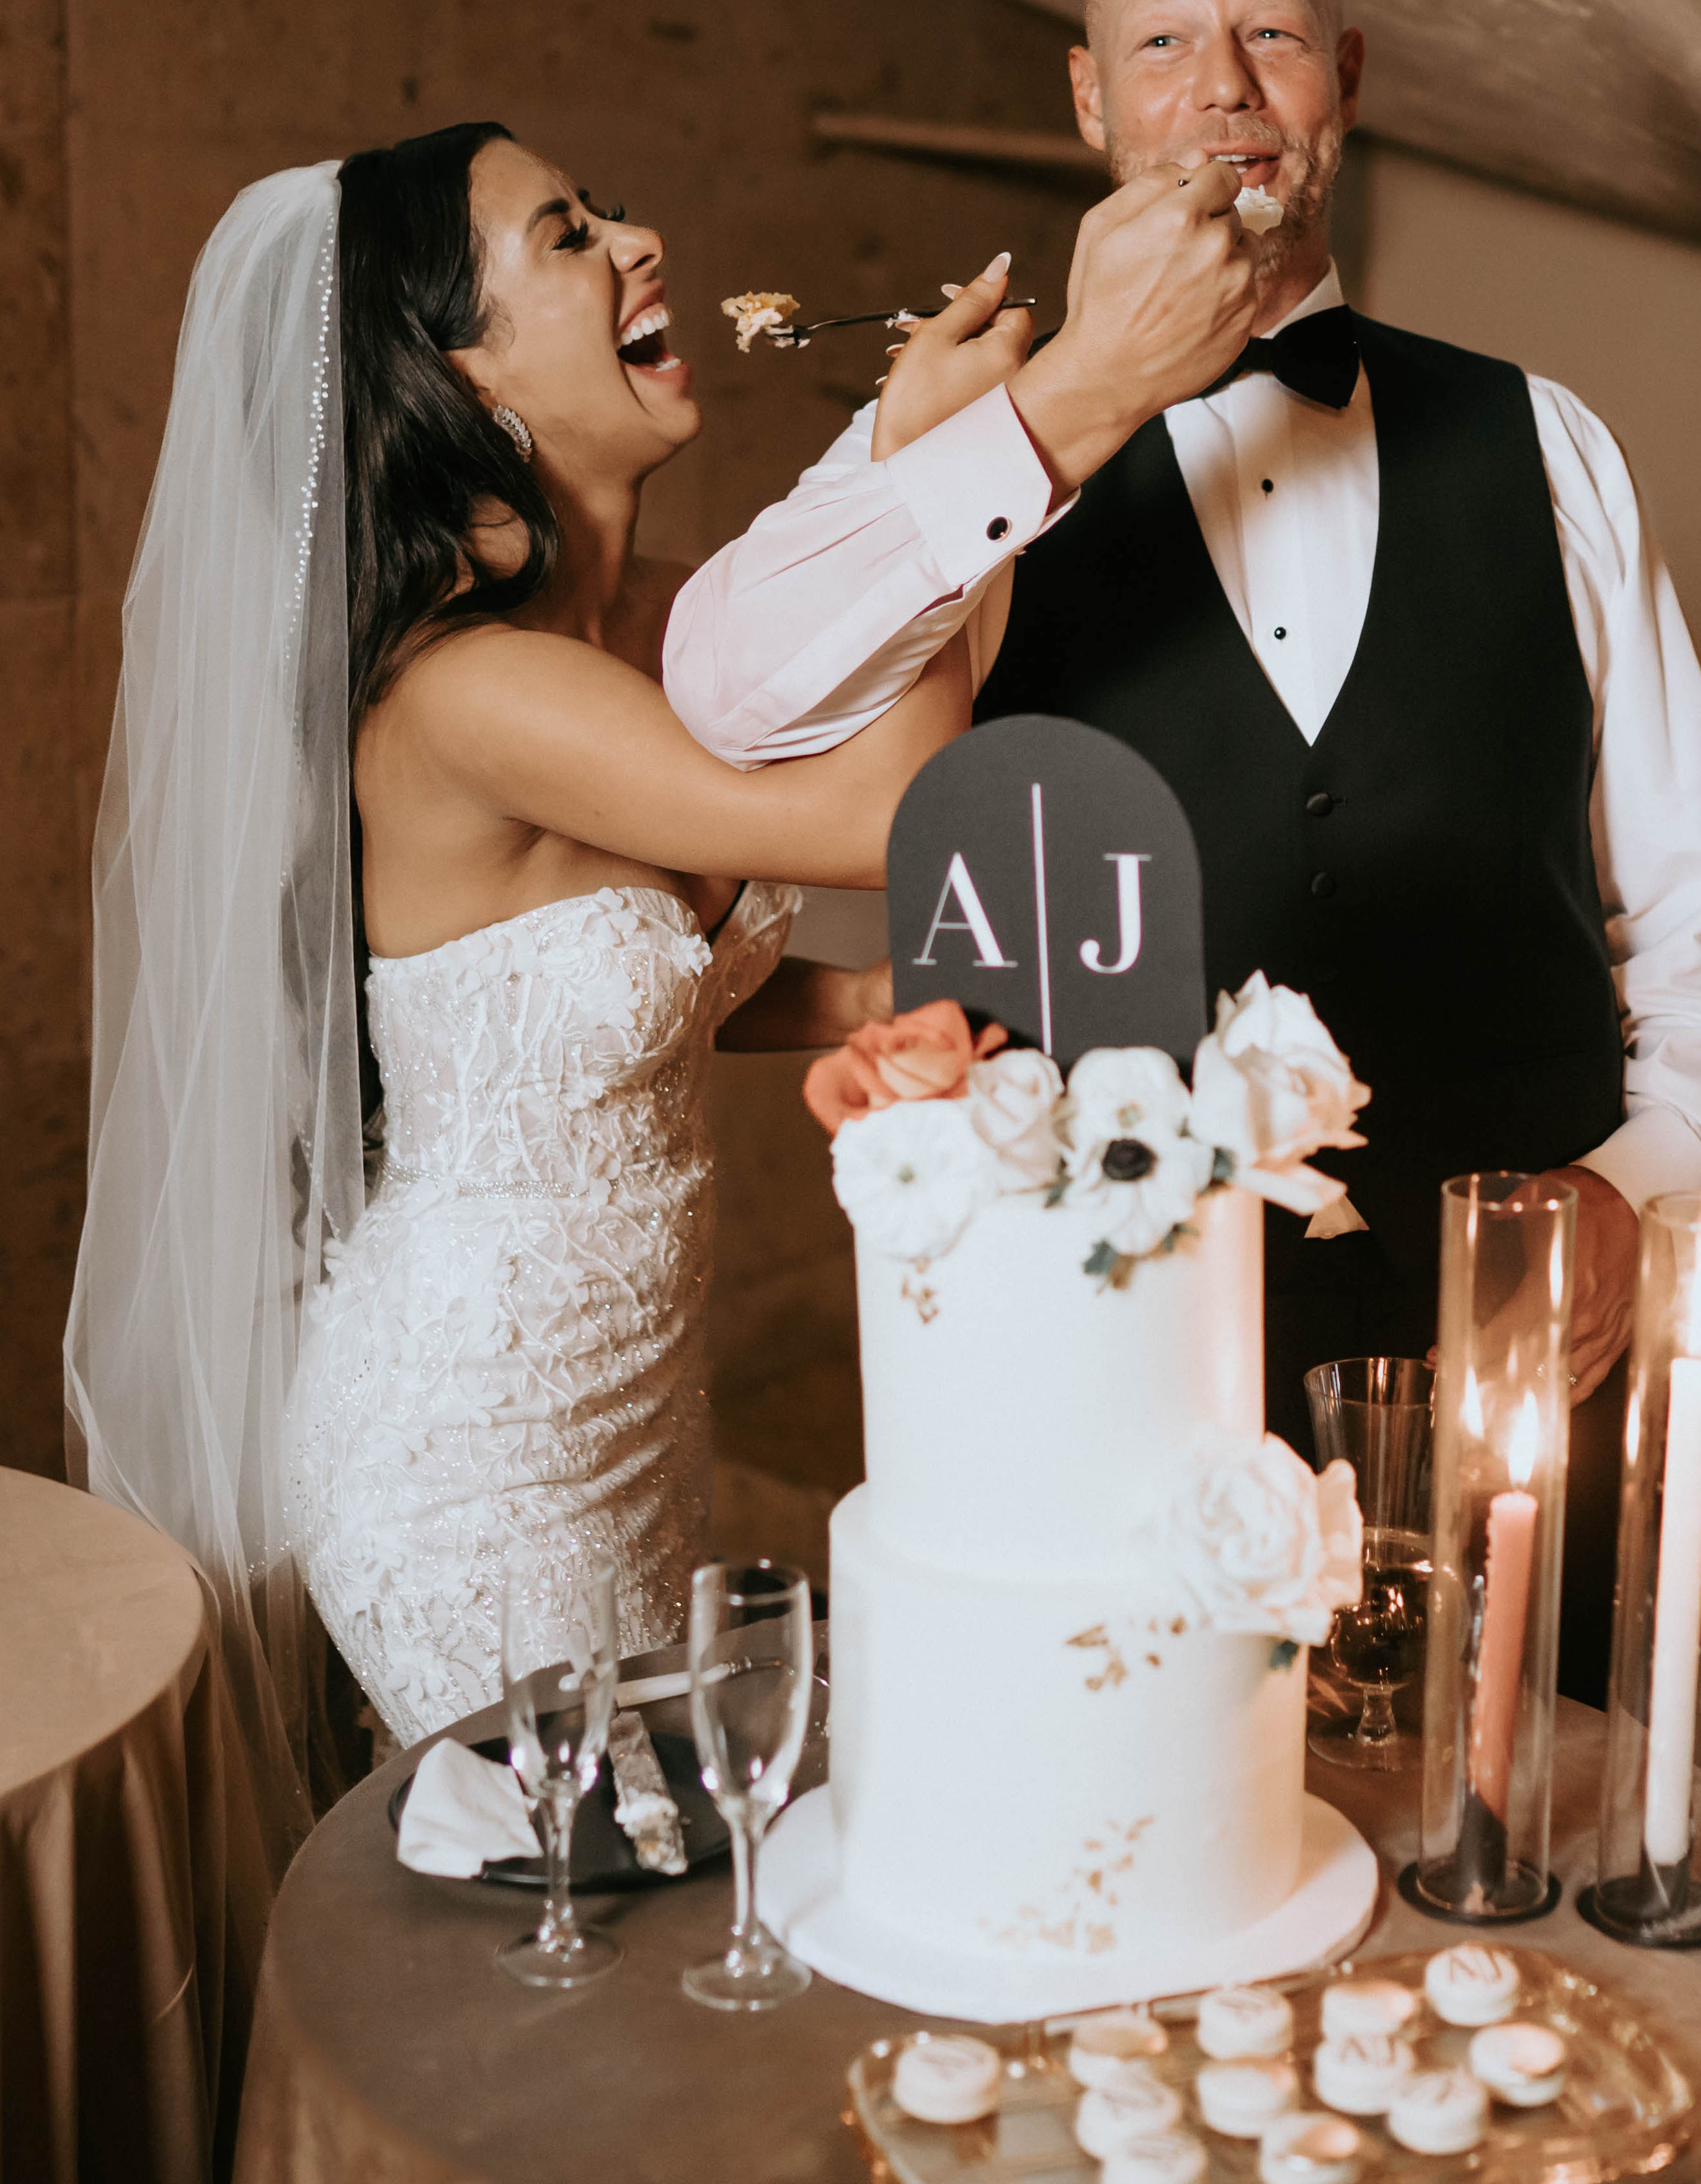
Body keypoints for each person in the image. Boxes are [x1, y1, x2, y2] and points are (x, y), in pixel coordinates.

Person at [661, 0, 1701, 1701]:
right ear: (1090, 105)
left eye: (1271, 38)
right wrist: (1076, 398)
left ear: (1342, 83)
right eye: (1165, 47)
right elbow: (724, 695)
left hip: (1503, 1401)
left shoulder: (1547, 444)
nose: (1226, 92)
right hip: (1109, 1388)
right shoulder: (971, 446)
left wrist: (1629, 1187)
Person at [66, 121, 1257, 1803]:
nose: (637, 239)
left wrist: (852, 1006)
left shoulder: (665, 629)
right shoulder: (462, 692)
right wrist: (953, 464)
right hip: (466, 1455)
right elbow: (894, 811)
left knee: (672, 1874)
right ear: (465, 378)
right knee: (576, 1921)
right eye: (564, 238)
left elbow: (610, 975)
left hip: (632, 1415)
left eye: (607, 204)